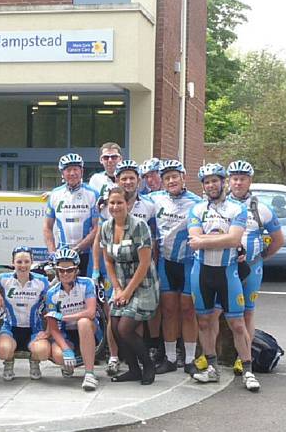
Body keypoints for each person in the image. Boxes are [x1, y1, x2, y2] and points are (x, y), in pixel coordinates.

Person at [187, 163, 259, 392]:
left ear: (222, 182)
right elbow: (193, 239)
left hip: (228, 273)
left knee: (237, 323)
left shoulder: (237, 208)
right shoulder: (197, 209)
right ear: (203, 186)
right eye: (207, 182)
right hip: (202, 272)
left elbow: (234, 240)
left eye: (215, 181)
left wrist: (206, 241)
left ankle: (248, 370)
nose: (211, 185)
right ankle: (211, 367)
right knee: (205, 322)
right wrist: (222, 238)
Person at [92, 160, 156, 376]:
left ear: (127, 205)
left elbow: (145, 262)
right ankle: (133, 370)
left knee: (125, 327)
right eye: (112, 203)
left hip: (143, 284)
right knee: (115, 325)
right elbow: (108, 260)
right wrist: (118, 289)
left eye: (120, 203)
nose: (116, 207)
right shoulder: (107, 227)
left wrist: (128, 292)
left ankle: (147, 367)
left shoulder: (139, 226)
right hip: (121, 283)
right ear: (107, 205)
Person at [227, 160, 284, 373]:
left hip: (251, 266)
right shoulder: (220, 205)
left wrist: (261, 257)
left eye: (242, 179)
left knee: (247, 313)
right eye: (235, 179)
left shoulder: (261, 209)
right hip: (225, 267)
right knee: (218, 312)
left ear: (250, 181)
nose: (238, 183)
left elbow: (278, 240)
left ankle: (245, 357)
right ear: (229, 181)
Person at [148, 160, 202, 375]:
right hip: (165, 261)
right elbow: (130, 201)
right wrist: (104, 202)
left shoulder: (197, 203)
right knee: (169, 311)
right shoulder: (154, 199)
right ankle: (170, 359)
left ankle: (189, 359)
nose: (171, 181)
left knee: (188, 311)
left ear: (183, 177)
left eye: (174, 176)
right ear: (162, 181)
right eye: (167, 177)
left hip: (188, 262)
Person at [46, 248, 100, 391]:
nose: (65, 274)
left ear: (76, 270)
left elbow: (90, 312)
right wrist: (65, 349)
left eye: (69, 270)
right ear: (56, 271)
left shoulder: (86, 283)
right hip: (66, 333)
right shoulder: (52, 293)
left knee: (83, 322)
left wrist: (64, 317)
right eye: (61, 270)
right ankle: (68, 363)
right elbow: (53, 326)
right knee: (59, 355)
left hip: (88, 328)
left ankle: (89, 374)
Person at [0, 246, 51, 381]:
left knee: (43, 351)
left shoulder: (41, 281)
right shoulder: (4, 278)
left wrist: (48, 330)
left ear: (32, 262)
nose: (23, 265)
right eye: (19, 262)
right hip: (10, 328)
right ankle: (8, 362)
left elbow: (52, 301)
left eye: (26, 261)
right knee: (3, 350)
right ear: (13, 262)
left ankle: (34, 361)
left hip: (34, 329)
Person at [44, 153, 99, 276]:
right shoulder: (55, 194)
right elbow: (47, 227)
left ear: (82, 171)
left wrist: (78, 249)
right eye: (68, 170)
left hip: (86, 254)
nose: (72, 173)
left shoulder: (92, 194)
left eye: (75, 169)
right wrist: (52, 252)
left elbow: (97, 227)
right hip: (62, 252)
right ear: (62, 173)